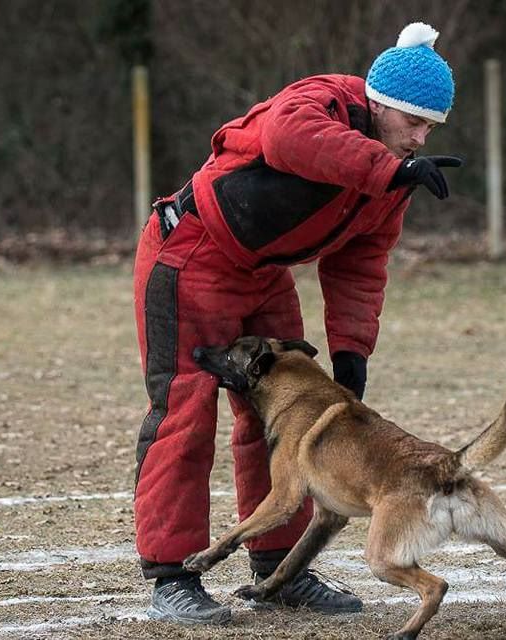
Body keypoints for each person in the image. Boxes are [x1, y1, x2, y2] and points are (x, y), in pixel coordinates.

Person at [132, 21, 461, 624]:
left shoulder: (392, 171)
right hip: (193, 253)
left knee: (288, 415)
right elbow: (291, 138)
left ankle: (279, 569)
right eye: (415, 122)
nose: (421, 138)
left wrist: (352, 352)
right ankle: (173, 576)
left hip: (263, 271)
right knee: (186, 412)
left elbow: (361, 264)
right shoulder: (323, 101)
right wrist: (388, 171)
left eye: (431, 128)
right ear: (381, 104)